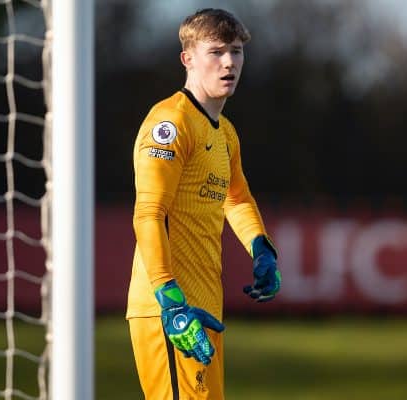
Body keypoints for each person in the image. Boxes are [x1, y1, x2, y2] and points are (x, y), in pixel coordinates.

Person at [125, 8, 281, 400]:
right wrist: (170, 299)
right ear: (188, 58)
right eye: (216, 51)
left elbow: (237, 197)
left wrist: (260, 248)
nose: (229, 62)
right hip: (170, 310)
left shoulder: (225, 133)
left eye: (236, 51)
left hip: (205, 308)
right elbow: (148, 213)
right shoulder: (171, 123)